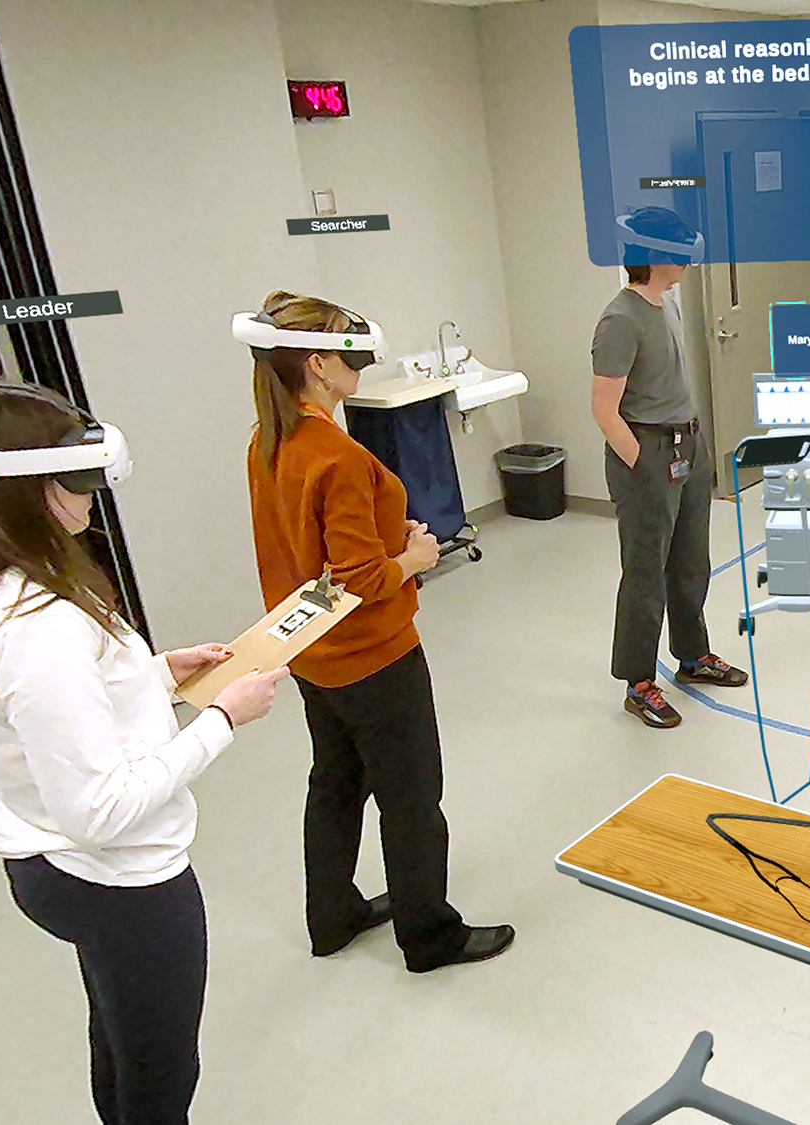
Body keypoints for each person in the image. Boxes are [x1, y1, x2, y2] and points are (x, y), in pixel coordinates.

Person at [0, 382, 288, 1125]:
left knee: (120, 1040)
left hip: (51, 869)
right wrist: (223, 719)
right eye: (77, 481)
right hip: (119, 880)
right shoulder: (36, 625)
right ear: (22, 491)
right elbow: (98, 807)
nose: (92, 497)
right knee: (162, 1069)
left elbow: (38, 719)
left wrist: (158, 673)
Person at [237, 291, 513, 972]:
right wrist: (414, 558)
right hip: (373, 657)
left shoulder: (268, 443)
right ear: (319, 364)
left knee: (334, 780)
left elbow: (315, 561)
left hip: (313, 657)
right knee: (412, 795)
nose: (359, 361)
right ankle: (430, 935)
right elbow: (357, 580)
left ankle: (331, 915)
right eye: (348, 352)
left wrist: (392, 545)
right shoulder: (333, 454)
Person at [591, 206, 748, 729]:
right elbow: (604, 411)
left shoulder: (668, 303)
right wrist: (643, 465)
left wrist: (690, 451)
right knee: (645, 573)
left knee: (689, 562)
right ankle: (638, 682)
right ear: (654, 256)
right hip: (648, 453)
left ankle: (693, 656)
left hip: (689, 446)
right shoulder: (620, 319)